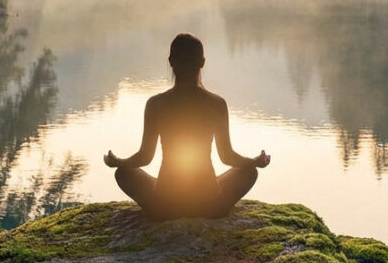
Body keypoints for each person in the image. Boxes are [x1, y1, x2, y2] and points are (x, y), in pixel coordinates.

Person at [104, 33, 271, 221]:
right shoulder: (216, 104)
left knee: (123, 174)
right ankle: (204, 200)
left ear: (171, 61)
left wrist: (119, 163)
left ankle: (167, 202)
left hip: (165, 206)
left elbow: (145, 157)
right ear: (202, 62)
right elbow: (227, 156)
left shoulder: (156, 104)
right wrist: (254, 161)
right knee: (249, 172)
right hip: (210, 205)